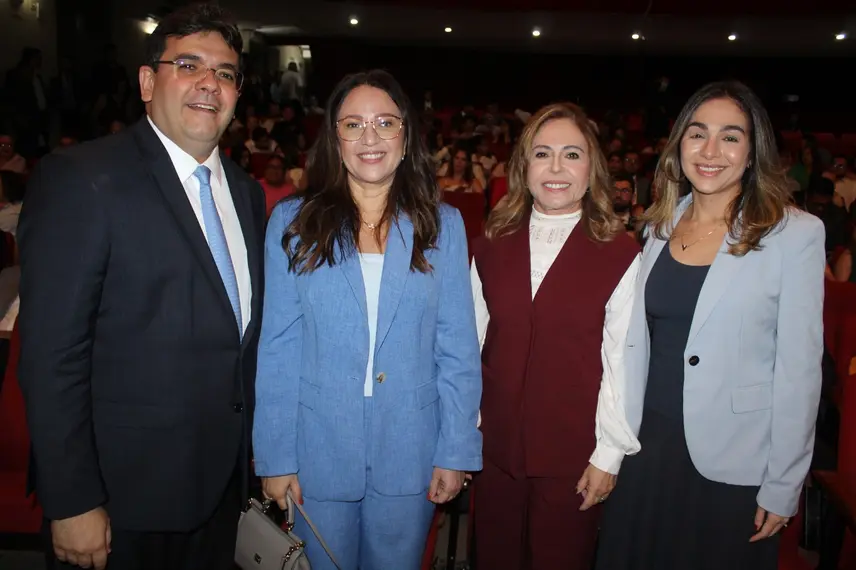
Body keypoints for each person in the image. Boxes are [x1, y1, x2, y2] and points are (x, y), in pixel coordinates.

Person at [18, 5, 265, 570]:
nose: (210, 83)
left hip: (224, 495)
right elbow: (52, 355)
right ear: (148, 81)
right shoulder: (82, 179)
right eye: (189, 64)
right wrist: (74, 498)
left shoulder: (246, 194)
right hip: (121, 505)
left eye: (226, 73)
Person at [253, 69, 482, 570]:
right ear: (335, 140)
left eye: (385, 122)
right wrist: (274, 458)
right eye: (353, 124)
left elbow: (457, 347)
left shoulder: (442, 225)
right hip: (317, 451)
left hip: (412, 448)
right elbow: (278, 347)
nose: (370, 136)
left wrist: (456, 448)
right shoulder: (294, 223)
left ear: (406, 137)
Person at [596, 81, 825, 569]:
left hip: (732, 459)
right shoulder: (657, 226)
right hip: (647, 450)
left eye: (731, 136)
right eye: (698, 133)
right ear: (678, 145)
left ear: (752, 150)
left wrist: (784, 483)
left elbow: (800, 373)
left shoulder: (794, 234)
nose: (711, 150)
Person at [471, 102, 641, 570]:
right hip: (494, 453)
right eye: (542, 154)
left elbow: (621, 364)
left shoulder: (621, 254)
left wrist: (608, 455)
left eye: (572, 154)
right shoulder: (488, 246)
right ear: (523, 167)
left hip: (574, 458)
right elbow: (470, 347)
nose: (556, 168)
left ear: (592, 168)